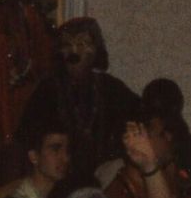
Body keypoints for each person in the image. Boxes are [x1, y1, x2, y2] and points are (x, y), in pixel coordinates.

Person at [18, 17, 140, 176]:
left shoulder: (110, 88)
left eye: (83, 44)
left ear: (96, 49)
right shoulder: (47, 90)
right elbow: (27, 137)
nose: (74, 51)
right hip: (59, 178)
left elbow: (140, 115)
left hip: (103, 178)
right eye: (67, 45)